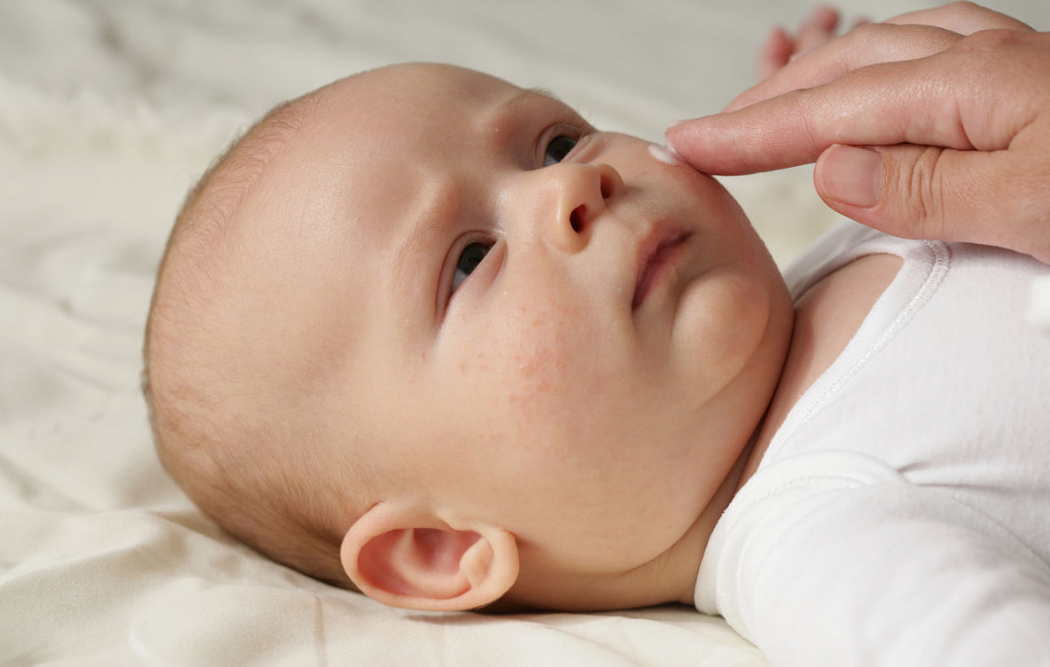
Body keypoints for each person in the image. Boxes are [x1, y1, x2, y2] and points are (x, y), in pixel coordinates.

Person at [142, 5, 1050, 665]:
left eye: (553, 142)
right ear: (442, 547)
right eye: (466, 261)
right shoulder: (825, 540)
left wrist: (879, 108)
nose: (570, 190)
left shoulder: (845, 240)